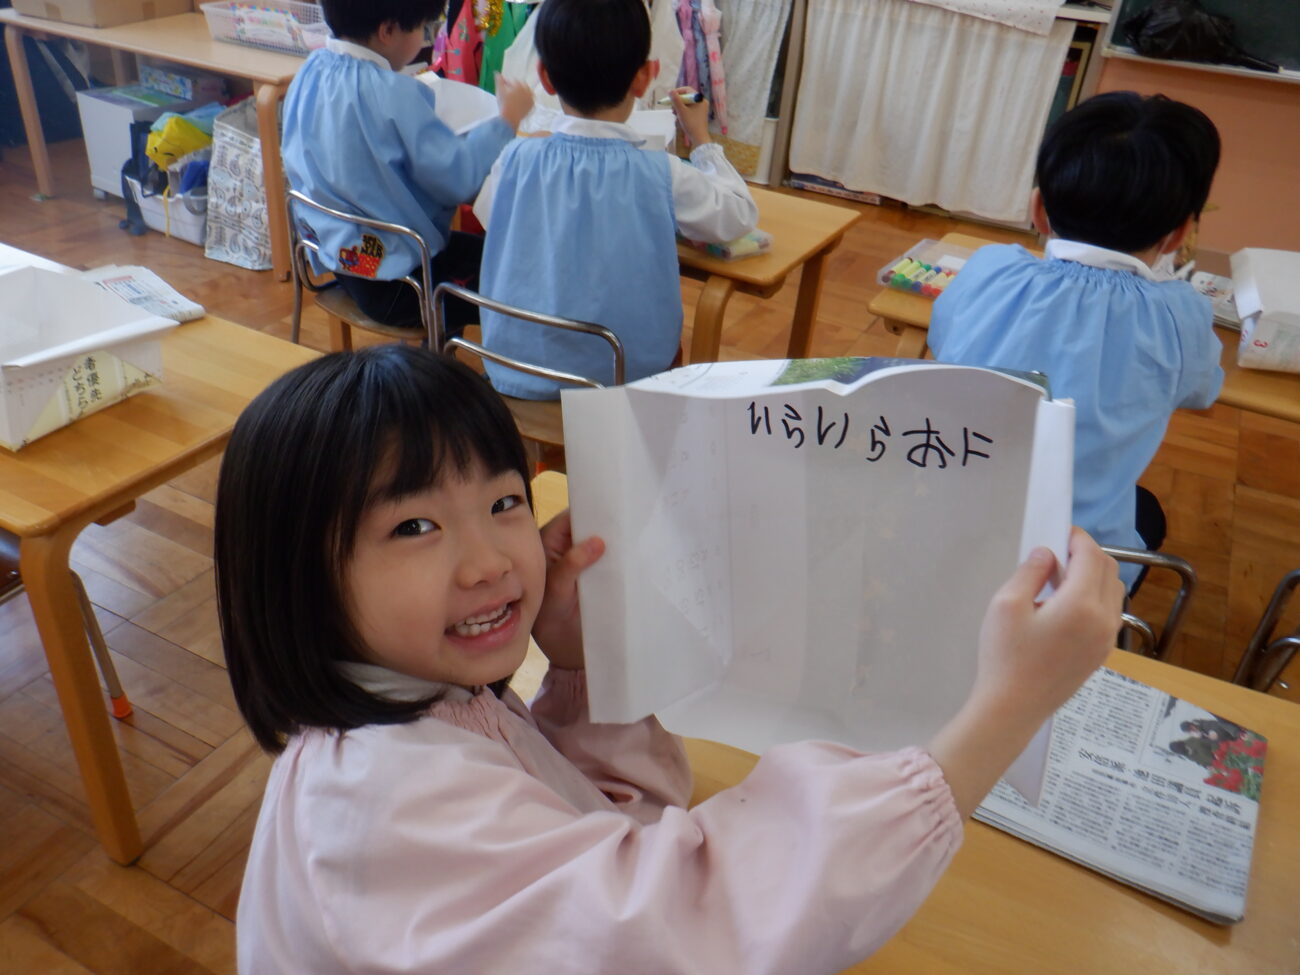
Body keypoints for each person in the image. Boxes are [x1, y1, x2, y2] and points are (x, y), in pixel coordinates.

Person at [216, 343, 1123, 973]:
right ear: (298, 577)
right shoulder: (381, 798)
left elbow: (608, 840)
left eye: (503, 502)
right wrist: (1004, 709)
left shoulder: (429, 702)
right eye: (414, 526)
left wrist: (583, 667)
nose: (489, 559)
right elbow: (692, 923)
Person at [928, 92, 1224, 592]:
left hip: (937, 539)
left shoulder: (989, 269)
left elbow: (942, 340)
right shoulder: (1180, 314)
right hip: (1070, 583)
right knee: (1145, 510)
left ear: (1038, 208)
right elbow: (1202, 391)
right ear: (1179, 234)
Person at [472, 0, 758, 399]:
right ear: (644, 77)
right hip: (621, 384)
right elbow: (739, 214)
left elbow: (490, 215)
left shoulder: (513, 158)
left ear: (545, 78)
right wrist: (702, 140)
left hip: (515, 370)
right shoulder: (662, 172)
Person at [281, 0, 533, 333]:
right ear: (388, 31)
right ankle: (454, 361)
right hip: (401, 286)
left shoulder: (309, 71)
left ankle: (443, 357)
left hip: (336, 257)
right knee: (521, 283)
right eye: (423, 29)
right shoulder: (395, 95)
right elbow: (459, 179)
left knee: (491, 256)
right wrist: (506, 120)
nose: (425, 38)